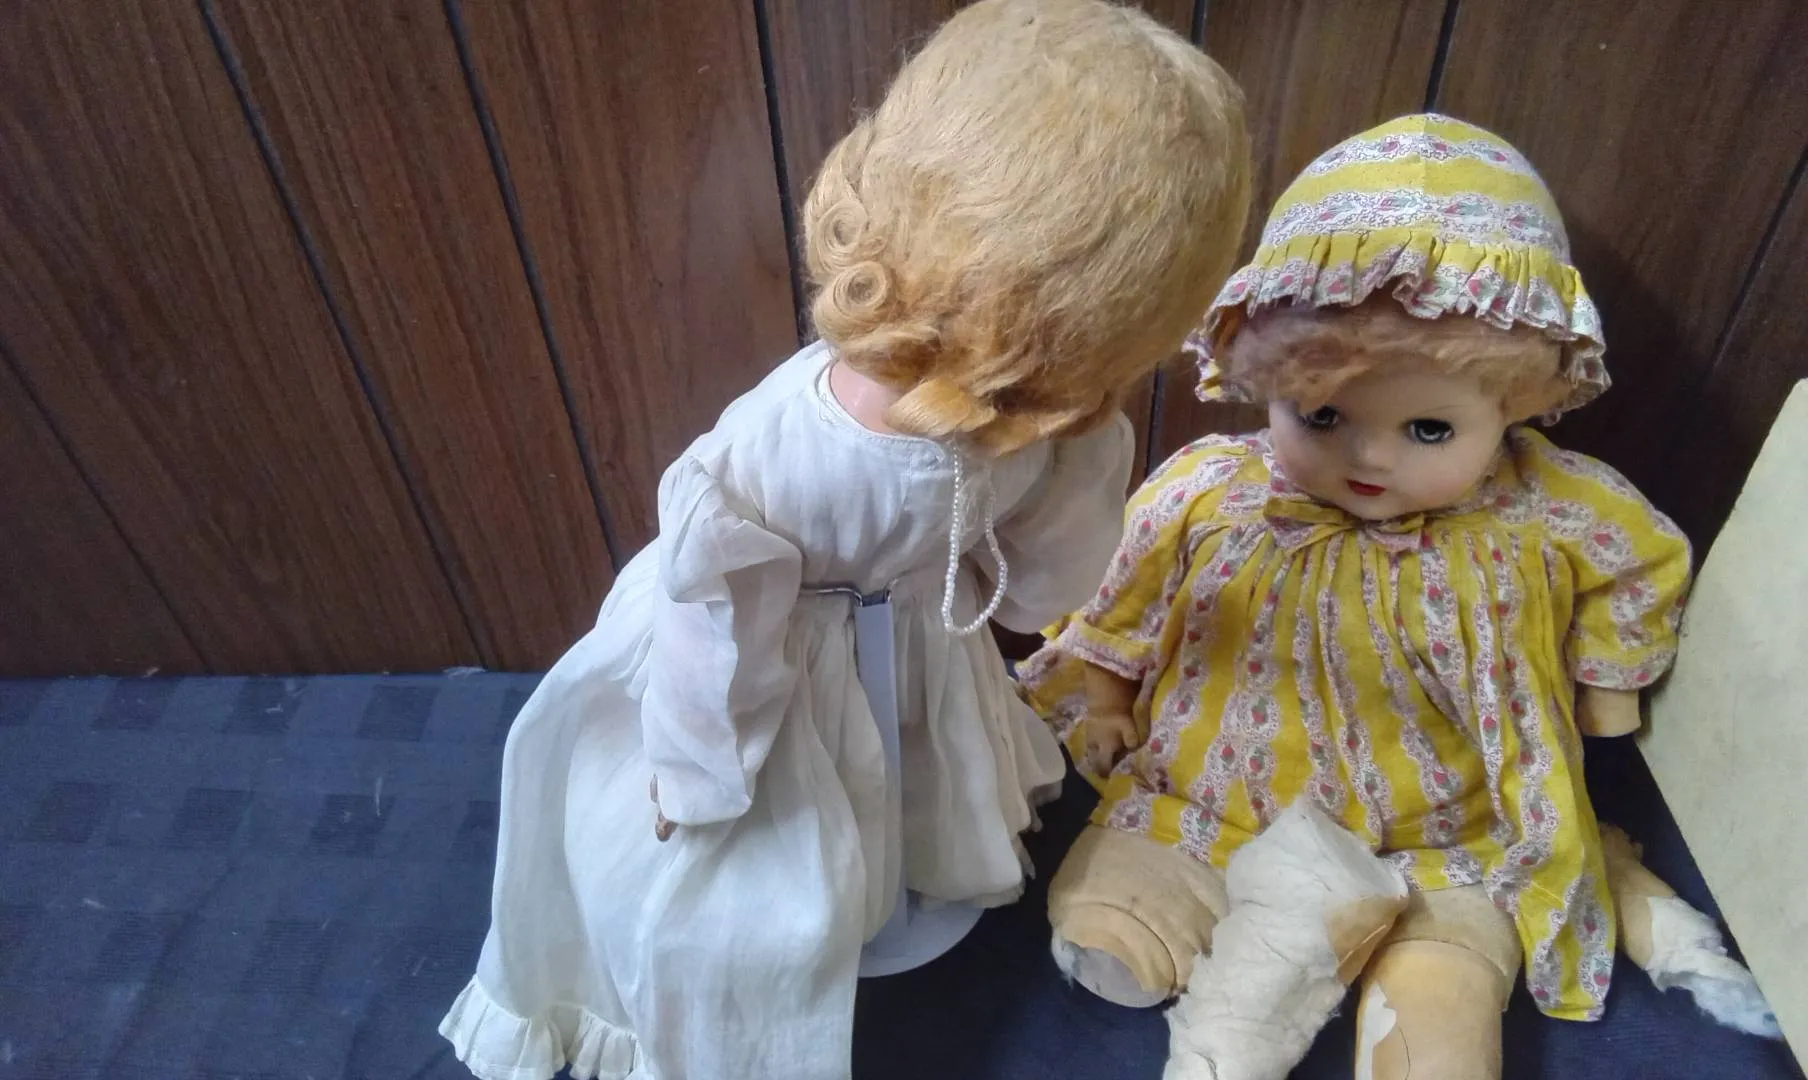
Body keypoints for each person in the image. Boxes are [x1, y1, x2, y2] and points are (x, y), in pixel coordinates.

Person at [439, 3, 1252, 1077]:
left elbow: (1040, 584)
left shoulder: (1050, 428)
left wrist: (1064, 460)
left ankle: (888, 874)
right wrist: (699, 768)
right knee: (761, 870)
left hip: (907, 633)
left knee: (898, 788)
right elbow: (712, 613)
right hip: (770, 666)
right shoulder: (781, 449)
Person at [1021, 114, 1769, 1080]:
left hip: (1440, 822)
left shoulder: (1547, 508)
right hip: (1217, 784)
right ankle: (1167, 885)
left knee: (1441, 997)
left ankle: (1433, 969)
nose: (1368, 455)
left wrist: (1607, 688)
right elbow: (1129, 585)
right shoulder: (1213, 491)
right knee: (1116, 936)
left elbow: (1642, 563)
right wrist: (1108, 698)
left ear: (1514, 401)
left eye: (1428, 429)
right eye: (1321, 415)